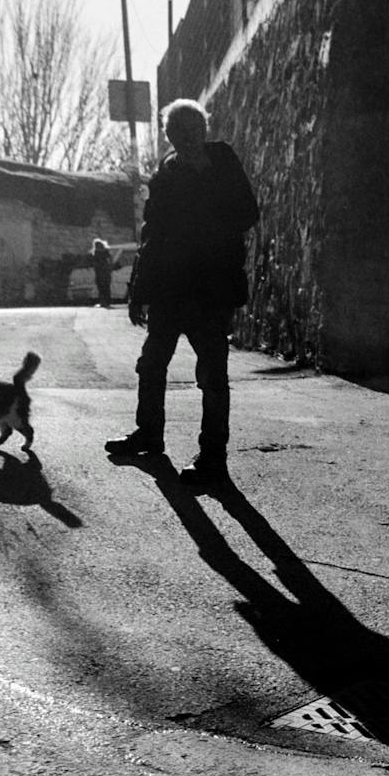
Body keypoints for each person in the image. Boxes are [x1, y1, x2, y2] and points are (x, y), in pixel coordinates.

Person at [105, 98, 261, 486]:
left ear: (204, 130)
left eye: (191, 131)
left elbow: (247, 214)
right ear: (169, 136)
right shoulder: (166, 172)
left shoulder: (222, 161)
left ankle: (212, 459)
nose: (184, 140)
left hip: (210, 291)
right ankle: (149, 434)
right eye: (176, 133)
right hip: (168, 291)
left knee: (212, 373)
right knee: (151, 363)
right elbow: (151, 235)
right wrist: (139, 292)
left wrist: (208, 181)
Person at [90, 237, 114, 307]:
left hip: (100, 272)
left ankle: (103, 302)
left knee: (101, 287)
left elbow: (94, 263)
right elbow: (110, 259)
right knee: (106, 287)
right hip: (106, 272)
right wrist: (110, 267)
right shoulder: (106, 251)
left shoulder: (96, 252)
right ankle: (107, 302)